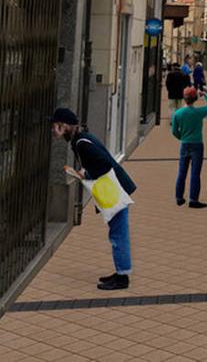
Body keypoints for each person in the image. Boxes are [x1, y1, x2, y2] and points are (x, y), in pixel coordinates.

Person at [50, 107, 136, 290]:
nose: (53, 131)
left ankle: (123, 277)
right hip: (116, 188)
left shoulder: (82, 143)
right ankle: (121, 271)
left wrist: (86, 173)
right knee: (117, 232)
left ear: (64, 126)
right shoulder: (82, 139)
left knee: (118, 234)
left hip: (115, 191)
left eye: (55, 126)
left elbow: (104, 164)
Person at [171, 87, 207, 208]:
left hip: (184, 144)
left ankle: (179, 197)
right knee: (195, 173)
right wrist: (205, 95)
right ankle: (193, 199)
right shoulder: (198, 112)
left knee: (181, 172)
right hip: (197, 145)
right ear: (195, 99)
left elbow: (174, 131)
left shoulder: (177, 113)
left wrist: (182, 137)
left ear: (184, 98)